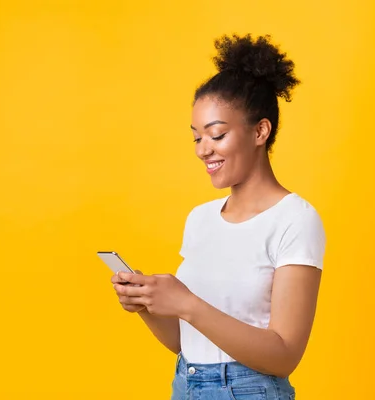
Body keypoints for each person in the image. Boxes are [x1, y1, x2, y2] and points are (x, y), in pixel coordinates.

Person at [111, 33, 326, 400]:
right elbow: (186, 341)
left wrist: (187, 304)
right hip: (187, 385)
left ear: (260, 131)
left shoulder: (295, 219)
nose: (203, 149)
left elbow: (285, 355)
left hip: (249, 391)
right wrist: (148, 306)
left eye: (217, 135)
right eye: (197, 138)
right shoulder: (200, 219)